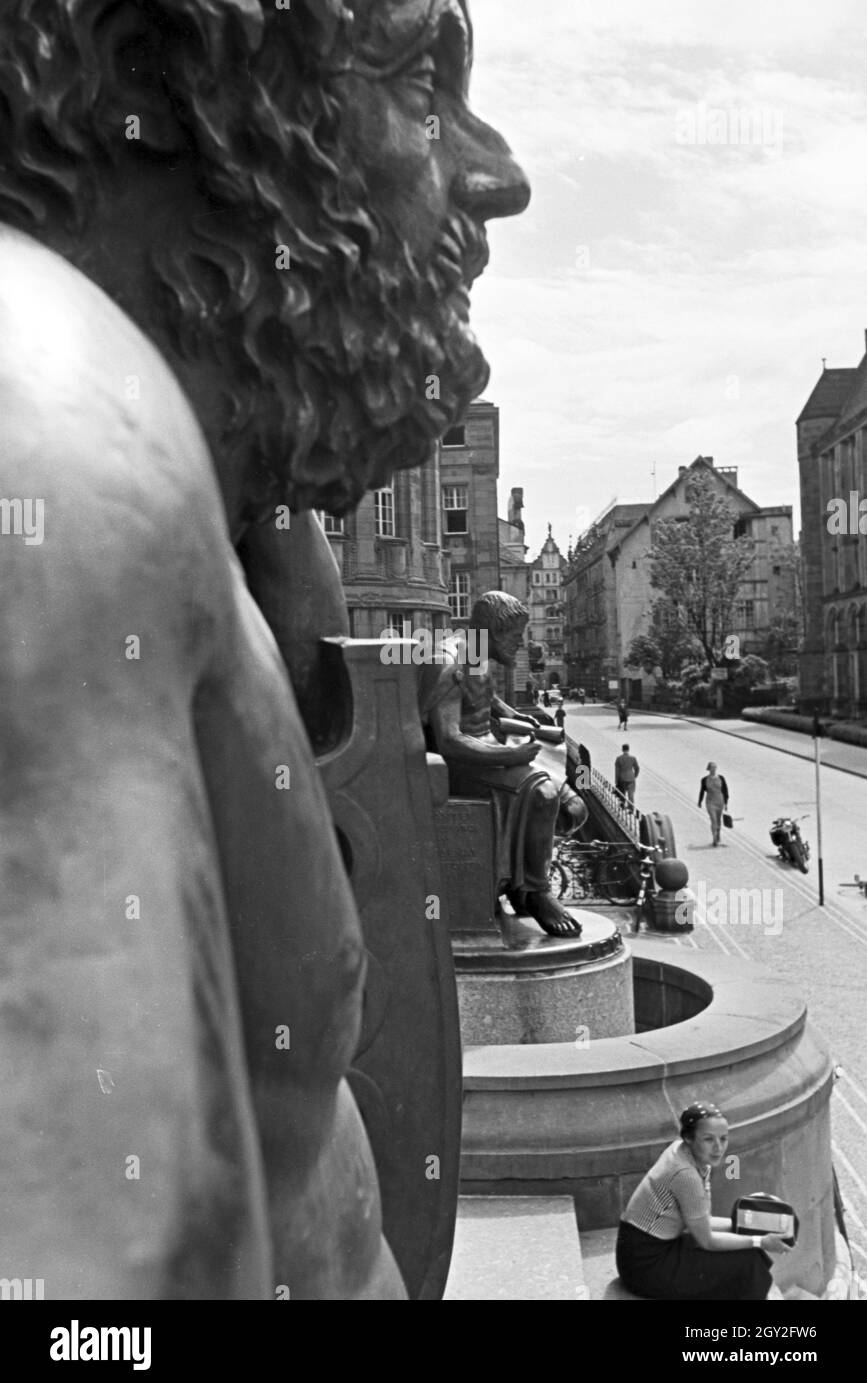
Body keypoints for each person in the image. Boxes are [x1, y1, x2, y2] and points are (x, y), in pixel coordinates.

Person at [0, 0, 531, 1299]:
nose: (496, 175)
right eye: (420, 76)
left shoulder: (223, 526)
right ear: (155, 80)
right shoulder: (55, 443)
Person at [420, 593, 588, 938]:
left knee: (575, 806)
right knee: (542, 793)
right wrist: (510, 757)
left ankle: (517, 879)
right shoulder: (448, 662)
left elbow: (487, 698)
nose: (521, 643)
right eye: (514, 636)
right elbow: (449, 741)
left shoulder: (477, 653)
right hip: (462, 763)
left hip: (491, 750)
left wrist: (538, 729)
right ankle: (536, 891)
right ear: (494, 632)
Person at [616, 1103, 788, 1300]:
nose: (719, 1148)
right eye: (708, 1139)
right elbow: (707, 1240)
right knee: (748, 1261)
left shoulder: (686, 1153)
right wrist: (761, 1240)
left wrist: (753, 1225)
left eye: (723, 1139)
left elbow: (703, 1220)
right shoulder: (685, 1174)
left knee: (750, 1254)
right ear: (688, 1138)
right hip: (645, 1265)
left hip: (647, 1248)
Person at [699, 762, 730, 846]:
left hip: (720, 801)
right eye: (712, 767)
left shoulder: (721, 778)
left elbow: (725, 790)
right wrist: (700, 801)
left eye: (715, 767)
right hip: (710, 802)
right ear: (708, 769)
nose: (713, 769)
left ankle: (718, 834)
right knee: (713, 820)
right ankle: (714, 838)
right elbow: (702, 791)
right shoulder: (704, 779)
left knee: (719, 821)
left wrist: (726, 803)